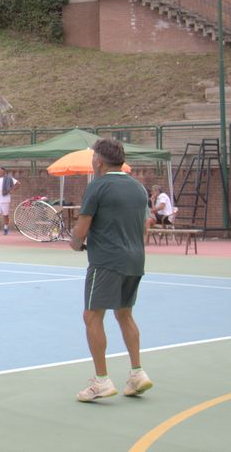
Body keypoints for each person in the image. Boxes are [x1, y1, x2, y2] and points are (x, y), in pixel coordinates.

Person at [69, 139, 153, 402]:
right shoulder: (138, 188)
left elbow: (81, 231)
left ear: (99, 161)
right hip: (135, 260)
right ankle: (137, 373)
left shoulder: (97, 187)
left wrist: (75, 242)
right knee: (125, 314)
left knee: (92, 316)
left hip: (106, 262)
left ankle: (101, 381)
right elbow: (145, 226)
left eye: (93, 158)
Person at [0, 166, 19, 235]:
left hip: (5, 199)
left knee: (5, 215)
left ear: (4, 171)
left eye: (0, 171)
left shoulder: (9, 178)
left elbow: (18, 184)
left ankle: (6, 227)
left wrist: (12, 190)